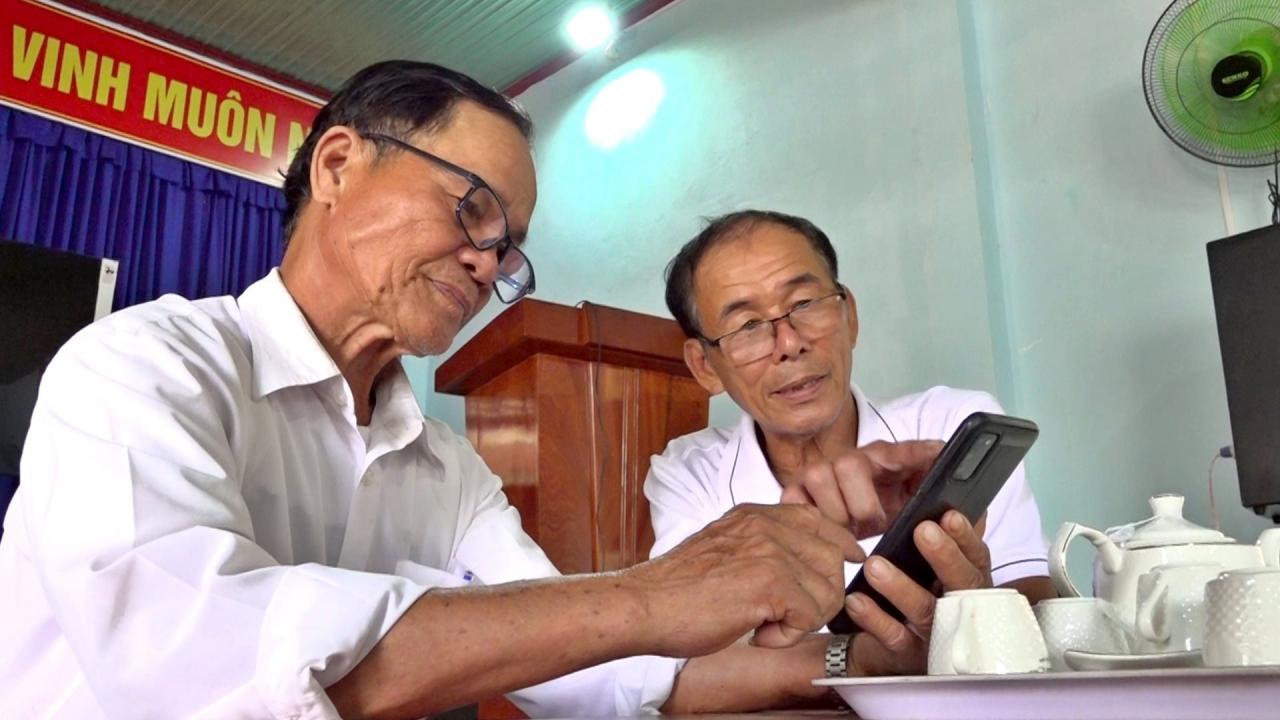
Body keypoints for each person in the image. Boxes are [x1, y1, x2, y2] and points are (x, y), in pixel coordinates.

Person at [0, 63, 988, 718]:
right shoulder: (141, 368)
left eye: (508, 245)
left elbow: (604, 664)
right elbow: (196, 662)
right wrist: (654, 593)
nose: (487, 261)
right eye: (469, 210)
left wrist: (851, 664)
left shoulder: (443, 469)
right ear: (339, 163)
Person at [647, 210, 1056, 654]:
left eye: (804, 304)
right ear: (705, 366)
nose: (789, 343)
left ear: (850, 316)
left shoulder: (947, 425)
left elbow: (1034, 606)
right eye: (748, 326)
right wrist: (863, 659)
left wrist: (975, 600)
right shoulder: (690, 475)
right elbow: (684, 667)